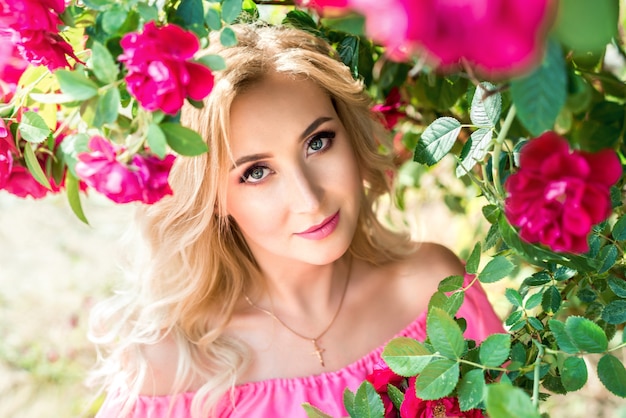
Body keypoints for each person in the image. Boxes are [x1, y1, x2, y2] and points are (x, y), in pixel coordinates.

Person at [89, 22, 503, 418]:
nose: (309, 199)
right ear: (212, 198)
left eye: (318, 142)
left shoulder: (436, 290)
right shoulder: (170, 365)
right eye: (255, 172)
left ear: (350, 135)